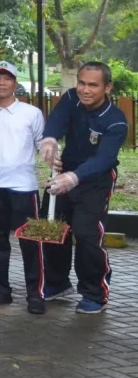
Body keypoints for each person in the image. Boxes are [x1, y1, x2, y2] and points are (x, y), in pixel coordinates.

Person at [39, 61, 127, 314]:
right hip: (65, 170)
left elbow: (105, 159)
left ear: (107, 87)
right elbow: (57, 120)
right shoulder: (71, 99)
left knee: (87, 234)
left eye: (93, 85)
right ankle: (57, 283)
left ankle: (94, 292)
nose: (85, 90)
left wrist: (74, 178)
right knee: (53, 227)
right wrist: (49, 139)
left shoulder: (115, 121)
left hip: (95, 179)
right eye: (81, 83)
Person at [0, 61, 47, 315]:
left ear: (15, 83)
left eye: (7, 79)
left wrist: (52, 155)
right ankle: (1, 290)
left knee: (30, 242)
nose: (2, 83)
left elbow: (41, 145)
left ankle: (35, 294)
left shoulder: (31, 113)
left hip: (24, 188)